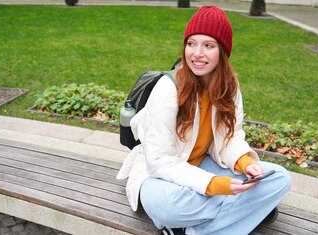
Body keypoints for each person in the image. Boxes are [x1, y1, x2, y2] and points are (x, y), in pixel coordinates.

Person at [116, 6, 292, 235]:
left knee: (279, 179)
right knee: (165, 206)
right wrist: (214, 185)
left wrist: (244, 162)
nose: (197, 53)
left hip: (202, 164)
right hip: (158, 176)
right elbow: (159, 162)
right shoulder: (168, 88)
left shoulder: (229, 87)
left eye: (208, 45)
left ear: (222, 51)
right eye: (191, 44)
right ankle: (248, 209)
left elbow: (230, 137)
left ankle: (191, 230)